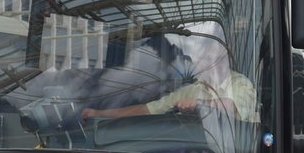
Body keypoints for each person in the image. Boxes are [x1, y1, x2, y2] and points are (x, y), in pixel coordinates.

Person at [81, 39, 258, 123]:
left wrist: (198, 104)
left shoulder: (241, 83)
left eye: (218, 59)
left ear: (226, 62)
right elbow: (148, 109)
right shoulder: (192, 90)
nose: (212, 64)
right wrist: (99, 114)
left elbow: (231, 106)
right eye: (206, 59)